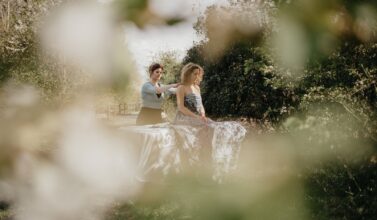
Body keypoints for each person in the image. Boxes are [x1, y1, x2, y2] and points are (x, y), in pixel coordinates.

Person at [173, 63, 246, 180]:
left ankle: (219, 160)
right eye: (194, 74)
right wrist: (196, 117)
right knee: (211, 127)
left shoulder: (197, 88)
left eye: (199, 74)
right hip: (184, 117)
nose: (197, 76)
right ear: (188, 74)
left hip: (197, 116)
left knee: (217, 126)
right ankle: (204, 163)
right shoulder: (181, 88)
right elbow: (181, 107)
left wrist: (202, 114)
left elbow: (200, 105)